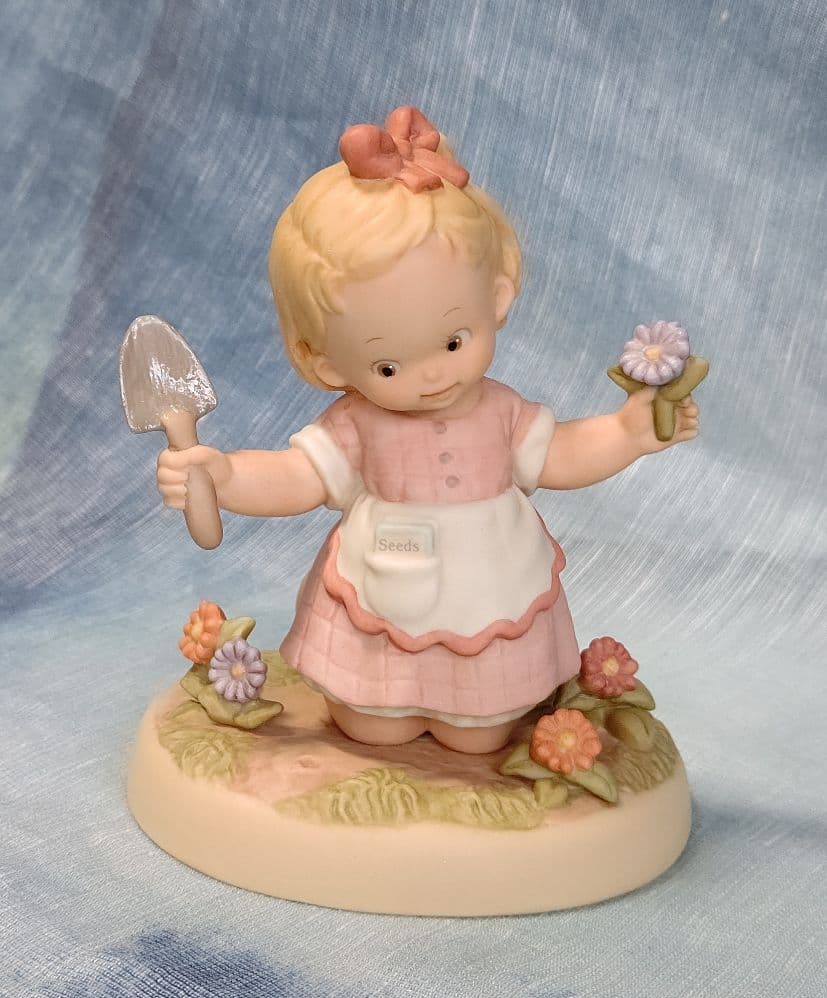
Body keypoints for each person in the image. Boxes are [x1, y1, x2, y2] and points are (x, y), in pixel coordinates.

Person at [157, 107, 699, 754]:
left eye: (453, 340)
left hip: (490, 579)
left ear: (497, 295)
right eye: (387, 366)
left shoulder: (501, 413)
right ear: (328, 364)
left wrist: (628, 432)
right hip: (383, 584)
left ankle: (476, 714)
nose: (432, 375)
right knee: (371, 719)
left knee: (481, 730)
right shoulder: (357, 425)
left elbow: (561, 455)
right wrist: (224, 476)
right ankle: (378, 703)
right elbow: (298, 477)